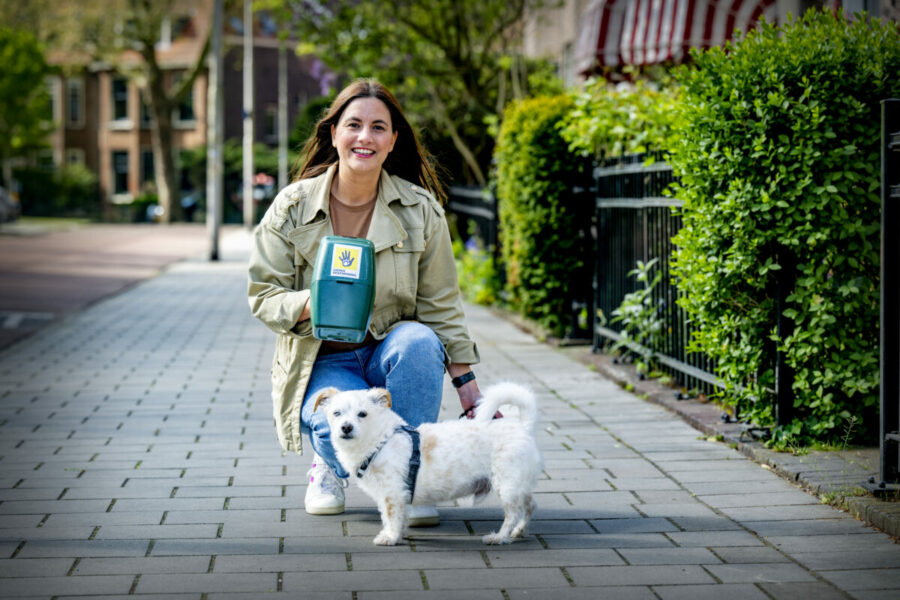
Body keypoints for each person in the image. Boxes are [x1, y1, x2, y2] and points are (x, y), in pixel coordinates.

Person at [248, 79, 481, 526]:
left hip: (389, 354)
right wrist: (320, 301)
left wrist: (469, 389)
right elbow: (263, 295)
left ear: (393, 141)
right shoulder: (291, 206)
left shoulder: (421, 209)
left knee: (419, 340)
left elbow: (442, 305)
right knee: (328, 424)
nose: (364, 137)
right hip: (323, 360)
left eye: (378, 127)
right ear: (333, 132)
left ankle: (410, 479)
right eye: (353, 125)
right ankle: (329, 468)